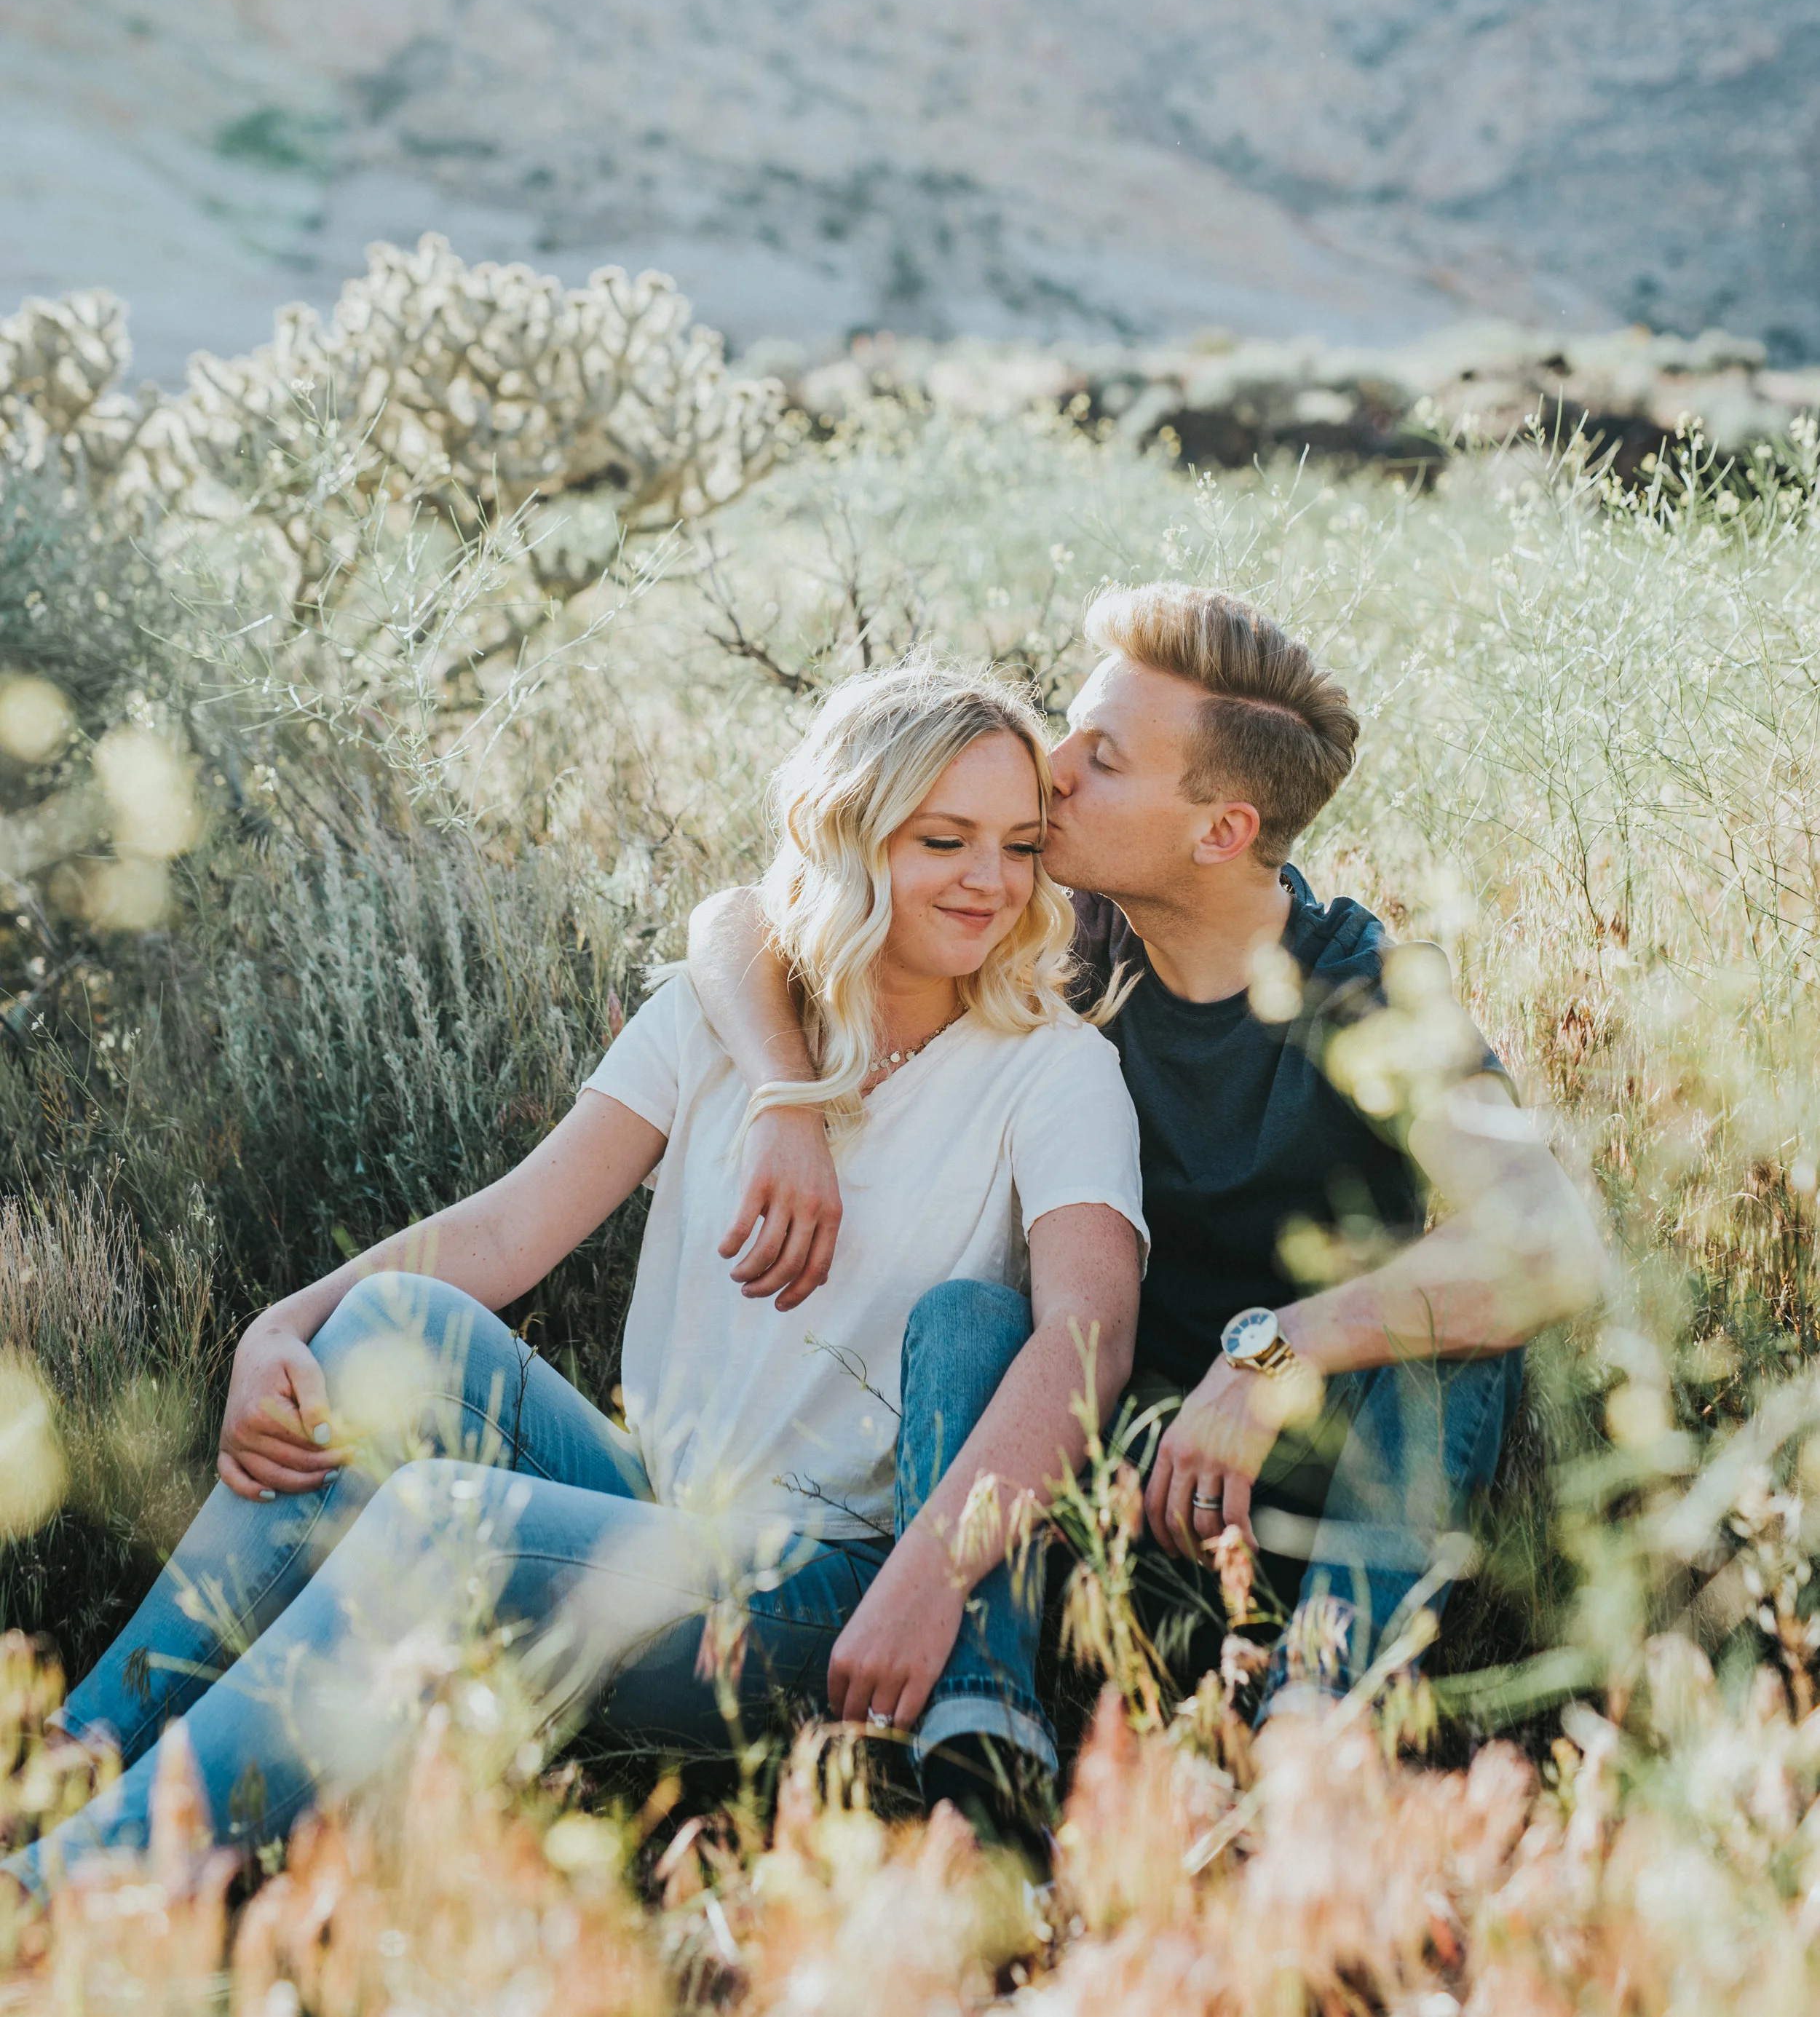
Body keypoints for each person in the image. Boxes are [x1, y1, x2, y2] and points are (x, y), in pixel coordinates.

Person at [15, 666, 1145, 1891]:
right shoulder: (724, 1023)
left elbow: (1089, 1341)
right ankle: (77, 1754)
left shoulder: (1052, 1070)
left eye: (1020, 846)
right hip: (653, 1514)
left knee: (453, 1521)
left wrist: (935, 1579)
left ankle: (74, 1891)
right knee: (399, 1323)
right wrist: (276, 1327)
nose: (990, 879)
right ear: (848, 831)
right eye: (944, 839)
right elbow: (507, 1235)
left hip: (837, 1594)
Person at [689, 583, 1610, 1712]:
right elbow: (741, 918)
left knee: (1467, 1328)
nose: (1054, 767)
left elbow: (1547, 1244)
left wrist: (1269, 1355)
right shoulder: (1054, 940)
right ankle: (984, 1705)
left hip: (1299, 1517)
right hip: (1080, 1509)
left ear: (1221, 830)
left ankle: (1317, 1715)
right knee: (972, 1319)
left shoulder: (1369, 991)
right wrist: (785, 1097)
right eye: (1069, 730)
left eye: (1105, 758)